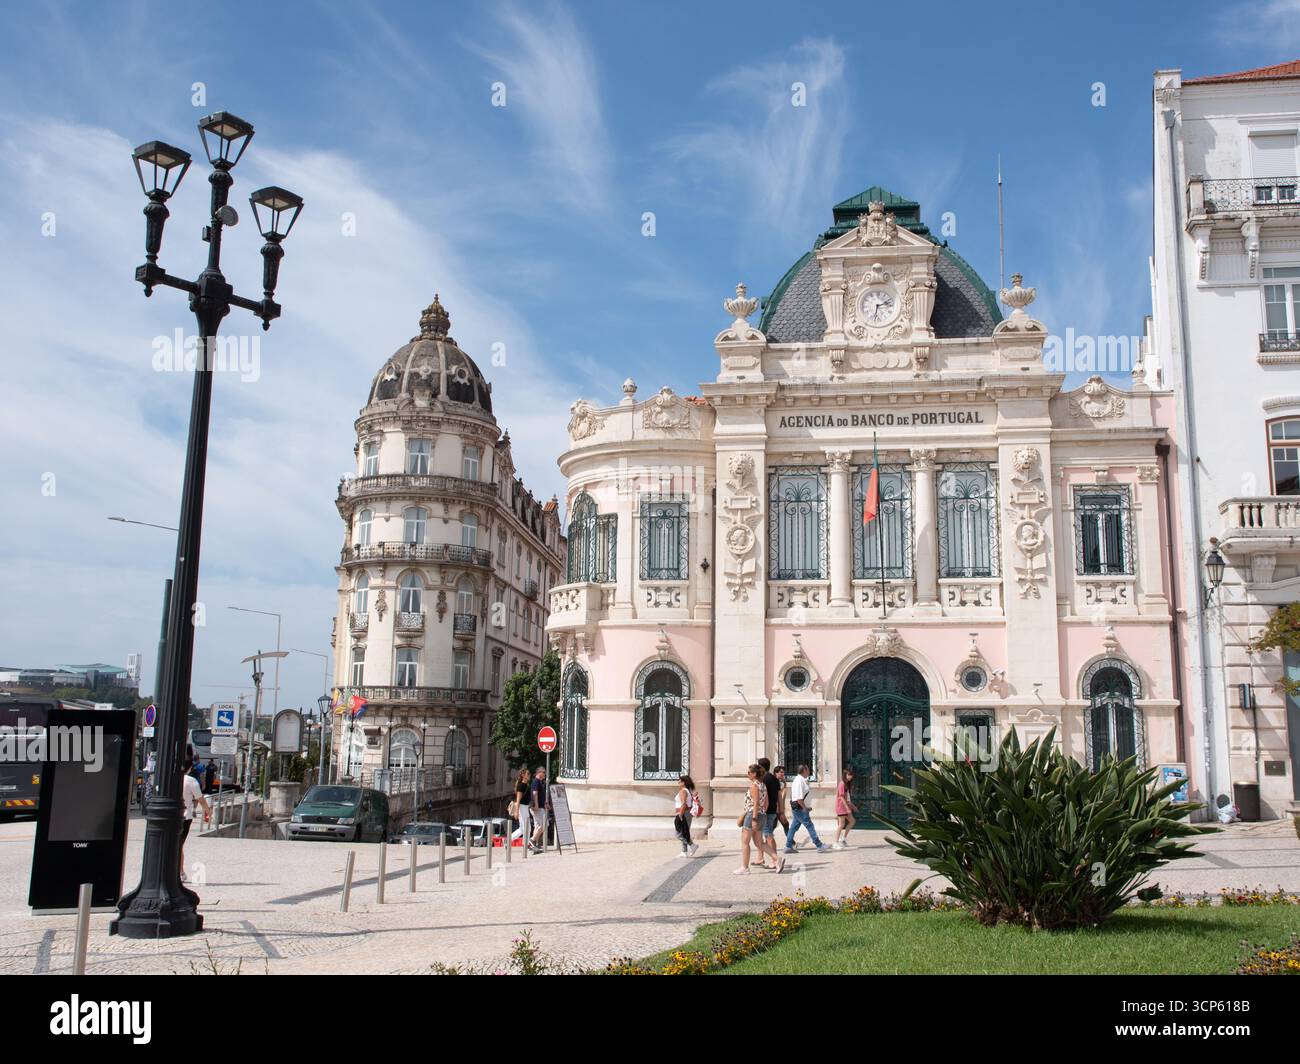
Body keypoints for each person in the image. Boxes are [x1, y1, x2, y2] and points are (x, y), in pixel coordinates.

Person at [784, 764, 831, 853]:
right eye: (808, 770)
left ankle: (788, 846)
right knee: (809, 825)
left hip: (800, 808)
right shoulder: (799, 781)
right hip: (800, 808)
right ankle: (819, 845)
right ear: (804, 770)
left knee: (793, 827)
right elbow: (799, 798)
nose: (809, 771)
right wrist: (804, 808)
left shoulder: (801, 780)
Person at [734, 763, 769, 875]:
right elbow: (766, 803)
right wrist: (762, 812)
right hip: (762, 814)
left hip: (752, 815)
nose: (747, 774)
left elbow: (755, 803)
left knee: (745, 842)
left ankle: (745, 867)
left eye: (749, 772)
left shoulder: (754, 785)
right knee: (759, 843)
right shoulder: (763, 785)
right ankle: (776, 859)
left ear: (754, 774)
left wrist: (754, 818)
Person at [180, 757, 210, 883]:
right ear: (190, 768)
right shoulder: (191, 781)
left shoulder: (171, 778)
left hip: (171, 815)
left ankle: (177, 871)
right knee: (179, 845)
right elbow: (200, 798)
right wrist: (208, 811)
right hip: (185, 816)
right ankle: (180, 871)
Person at [756, 758, 786, 873]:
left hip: (766, 811)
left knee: (768, 836)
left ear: (761, 767)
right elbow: (779, 795)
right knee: (765, 835)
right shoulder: (774, 779)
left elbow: (763, 796)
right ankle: (761, 858)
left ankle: (775, 860)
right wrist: (781, 810)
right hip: (773, 810)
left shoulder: (763, 779)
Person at [673, 774, 701, 857]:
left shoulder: (683, 791)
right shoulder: (687, 790)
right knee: (685, 832)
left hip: (683, 813)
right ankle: (684, 851)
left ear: (684, 782)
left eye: (680, 781)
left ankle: (692, 845)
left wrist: (680, 815)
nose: (678, 782)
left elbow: (684, 804)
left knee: (678, 834)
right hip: (686, 813)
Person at [833, 765, 858, 849]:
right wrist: (847, 808)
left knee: (852, 821)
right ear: (845, 775)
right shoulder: (842, 784)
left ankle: (843, 839)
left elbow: (847, 798)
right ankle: (835, 843)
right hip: (841, 807)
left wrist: (853, 806)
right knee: (841, 825)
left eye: (851, 775)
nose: (851, 776)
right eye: (849, 775)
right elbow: (841, 797)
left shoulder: (846, 784)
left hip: (845, 807)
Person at [528, 766, 549, 853]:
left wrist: (545, 804)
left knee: (537, 826)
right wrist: (536, 805)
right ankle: (532, 841)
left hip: (539, 807)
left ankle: (533, 846)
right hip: (537, 808)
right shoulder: (536, 782)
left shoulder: (539, 782)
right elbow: (535, 793)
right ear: (539, 773)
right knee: (544, 824)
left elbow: (540, 795)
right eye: (543, 772)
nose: (545, 774)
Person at [510, 767, 532, 844]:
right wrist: (516, 812)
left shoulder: (527, 785)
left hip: (525, 807)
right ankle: (508, 840)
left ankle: (526, 843)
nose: (529, 775)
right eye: (528, 774)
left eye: (529, 774)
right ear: (523, 775)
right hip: (522, 808)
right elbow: (518, 799)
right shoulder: (521, 786)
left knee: (528, 827)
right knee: (524, 828)